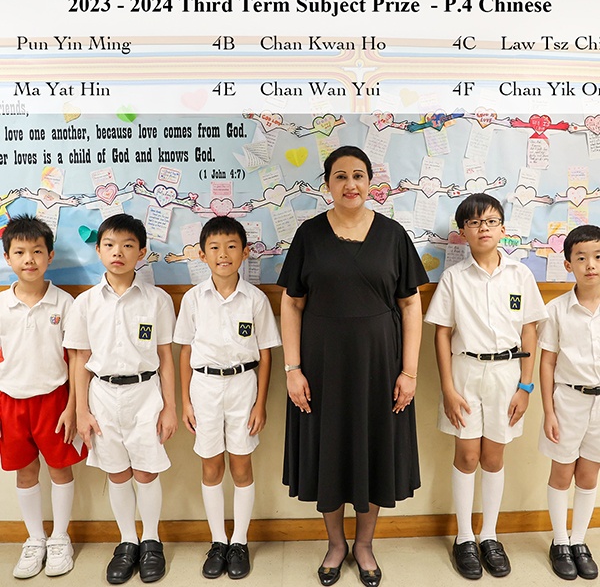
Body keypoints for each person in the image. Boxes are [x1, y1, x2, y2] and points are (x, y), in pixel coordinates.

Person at [278, 145, 428, 587]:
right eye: (340, 176)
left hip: (380, 365)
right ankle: (335, 543)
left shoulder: (393, 235)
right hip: (320, 366)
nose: (350, 184)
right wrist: (292, 368)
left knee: (373, 448)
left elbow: (410, 305)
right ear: (327, 184)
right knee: (327, 450)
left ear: (370, 182)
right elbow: (291, 303)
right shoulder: (308, 234)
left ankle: (364, 544)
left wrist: (409, 372)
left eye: (358, 175)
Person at [425, 193, 547, 580]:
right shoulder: (454, 277)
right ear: (463, 232)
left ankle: (489, 536)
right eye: (474, 223)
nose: (483, 229)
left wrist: (526, 387)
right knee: (467, 456)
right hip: (465, 372)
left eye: (491, 221)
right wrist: (448, 388)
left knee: (494, 457)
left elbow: (530, 331)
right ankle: (464, 537)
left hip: (507, 375)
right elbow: (442, 334)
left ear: (503, 228)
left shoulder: (520, 275)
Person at [64, 213, 177, 584]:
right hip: (102, 396)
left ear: (141, 252)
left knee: (145, 470)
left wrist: (170, 408)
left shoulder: (157, 300)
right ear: (98, 250)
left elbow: (165, 357)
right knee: (117, 472)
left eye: (128, 245)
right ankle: (127, 541)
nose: (118, 252)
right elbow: (80, 360)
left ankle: (151, 540)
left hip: (145, 394)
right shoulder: (85, 303)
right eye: (110, 245)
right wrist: (82, 411)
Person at [174, 217, 280, 580]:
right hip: (203, 388)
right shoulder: (193, 299)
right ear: (202, 255)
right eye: (215, 248)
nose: (223, 254)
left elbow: (265, 354)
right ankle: (218, 541)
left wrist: (260, 403)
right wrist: (186, 402)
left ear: (245, 252)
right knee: (210, 466)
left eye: (232, 246)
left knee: (241, 465)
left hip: (243, 387)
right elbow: (185, 352)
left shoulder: (255, 299)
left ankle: (239, 542)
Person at [0, 215, 87, 579]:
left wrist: (73, 407)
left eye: (37, 251)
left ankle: (60, 538)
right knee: (25, 471)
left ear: (50, 256)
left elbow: (76, 359)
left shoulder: (65, 303)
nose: (29, 259)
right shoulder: (1, 305)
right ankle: (35, 539)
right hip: (10, 401)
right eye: (20, 252)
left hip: (54, 401)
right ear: (8, 258)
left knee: (59, 468)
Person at [538, 224, 600, 581]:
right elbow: (547, 362)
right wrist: (548, 411)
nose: (590, 265)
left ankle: (579, 541)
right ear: (568, 264)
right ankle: (560, 541)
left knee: (589, 475)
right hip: (567, 401)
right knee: (562, 473)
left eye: (598, 256)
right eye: (581, 258)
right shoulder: (556, 310)